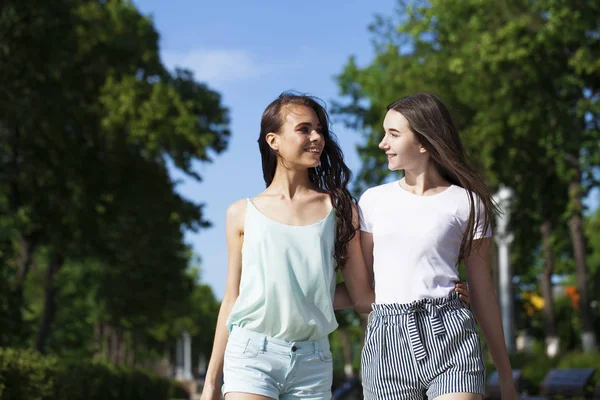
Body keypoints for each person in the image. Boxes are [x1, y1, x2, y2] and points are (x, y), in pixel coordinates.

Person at [200, 92, 470, 400]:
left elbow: (361, 296)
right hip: (250, 354)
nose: (317, 137)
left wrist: (439, 291)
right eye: (304, 129)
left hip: (313, 362)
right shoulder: (241, 214)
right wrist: (211, 383)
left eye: (319, 130)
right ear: (273, 140)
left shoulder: (340, 210)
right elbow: (232, 300)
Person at [357, 92, 518, 400]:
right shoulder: (373, 201)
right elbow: (359, 286)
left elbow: (483, 292)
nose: (382, 143)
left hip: (451, 333)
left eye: (393, 134)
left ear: (423, 142)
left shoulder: (468, 203)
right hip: (387, 341)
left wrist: (506, 378)